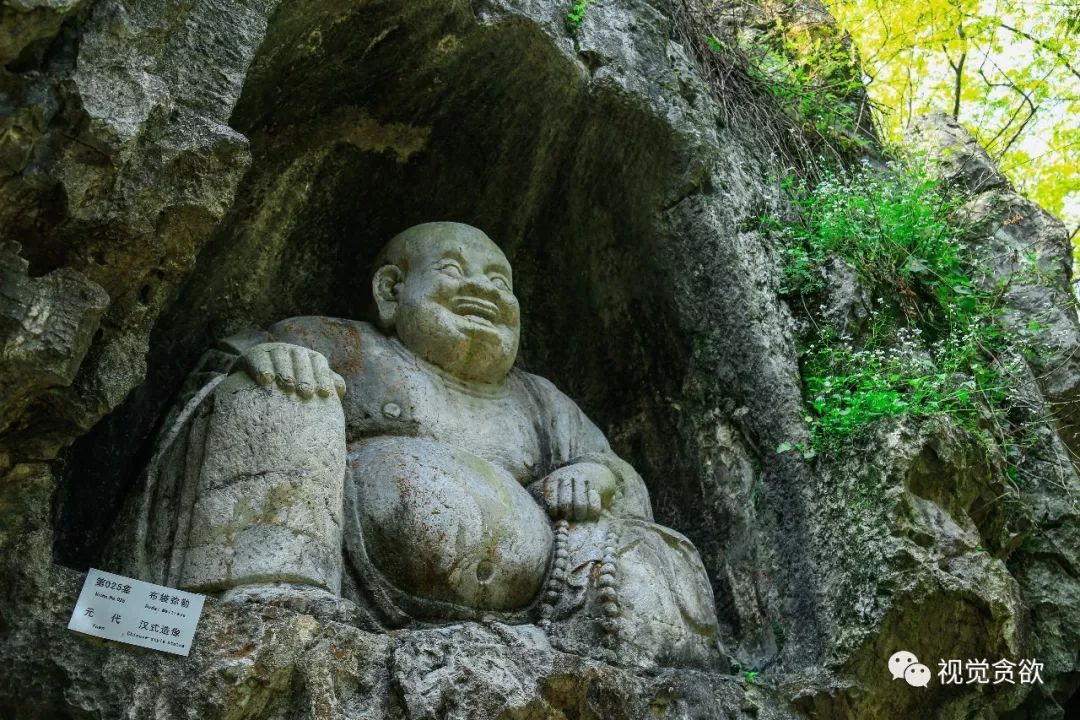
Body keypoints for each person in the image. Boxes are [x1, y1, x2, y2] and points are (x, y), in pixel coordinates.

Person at [124, 222, 722, 669]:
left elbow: (621, 475)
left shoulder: (542, 402)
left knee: (661, 547)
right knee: (274, 388)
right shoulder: (342, 344)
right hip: (359, 572)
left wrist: (599, 476)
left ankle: (635, 666)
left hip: (537, 603)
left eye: (499, 282)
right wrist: (274, 361)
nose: (483, 290)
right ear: (391, 291)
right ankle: (272, 593)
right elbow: (222, 372)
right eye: (455, 271)